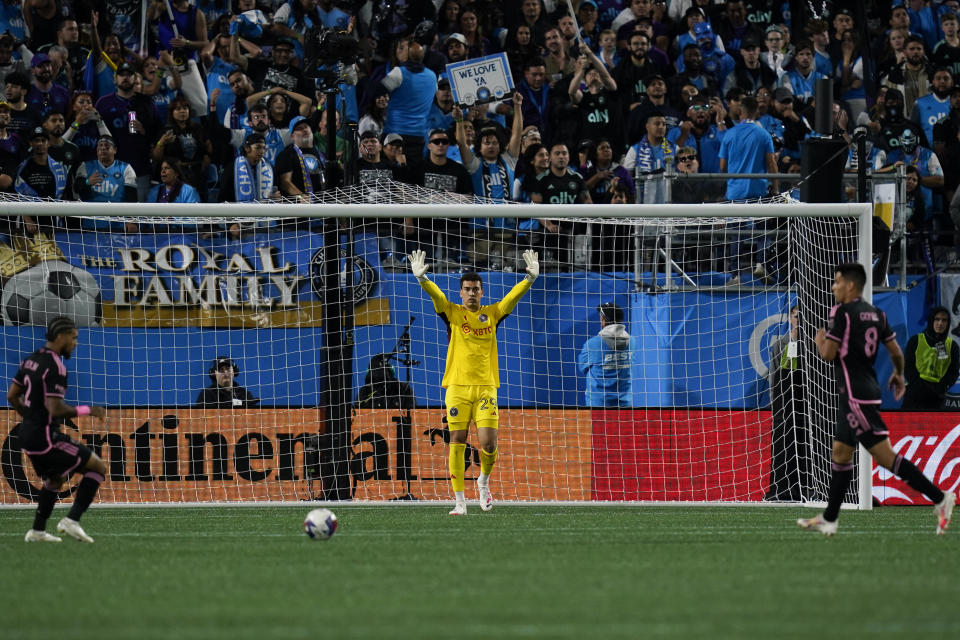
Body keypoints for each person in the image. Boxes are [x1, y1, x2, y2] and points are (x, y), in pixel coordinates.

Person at [800, 263, 956, 536]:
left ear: (850, 286)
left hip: (856, 395)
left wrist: (817, 337)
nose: (833, 287)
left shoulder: (842, 313)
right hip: (864, 391)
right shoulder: (876, 314)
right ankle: (830, 518)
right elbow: (896, 351)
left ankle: (941, 498)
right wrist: (897, 374)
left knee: (885, 457)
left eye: (837, 282)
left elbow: (827, 354)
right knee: (840, 452)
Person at [407, 248, 539, 515]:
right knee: (456, 439)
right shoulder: (452, 313)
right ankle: (459, 502)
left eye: (475, 289)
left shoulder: (492, 314)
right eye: (466, 289)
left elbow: (511, 300)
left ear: (482, 292)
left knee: (488, 444)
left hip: (486, 388)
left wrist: (529, 279)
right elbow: (438, 296)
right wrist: (423, 280)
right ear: (461, 292)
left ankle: (483, 482)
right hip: (457, 387)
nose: (471, 293)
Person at [8, 316, 108, 543]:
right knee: (97, 467)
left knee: (56, 478)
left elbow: (12, 395)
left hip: (27, 434)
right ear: (61, 337)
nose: (75, 343)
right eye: (73, 338)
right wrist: (88, 410)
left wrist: (30, 416)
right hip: (45, 436)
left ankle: (37, 531)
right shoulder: (56, 366)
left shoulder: (30, 360)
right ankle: (71, 520)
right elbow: (55, 408)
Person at [764, 304, 810, 502]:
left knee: (805, 446)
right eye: (795, 316)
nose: (798, 320)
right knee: (783, 446)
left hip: (807, 407)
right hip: (784, 406)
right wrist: (775, 402)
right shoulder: (780, 344)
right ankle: (781, 488)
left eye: (801, 316)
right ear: (790, 318)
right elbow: (774, 376)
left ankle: (807, 488)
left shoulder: (813, 345)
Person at [902, 306, 960, 410]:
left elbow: (953, 372)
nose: (940, 323)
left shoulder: (952, 346)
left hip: (937, 398)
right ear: (931, 320)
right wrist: (919, 386)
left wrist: (941, 387)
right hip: (914, 395)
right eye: (937, 319)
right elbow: (908, 366)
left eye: (944, 320)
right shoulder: (915, 341)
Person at [577, 302, 634, 407]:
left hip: (598, 405)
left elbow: (582, 368)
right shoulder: (633, 342)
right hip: (626, 404)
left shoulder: (592, 344)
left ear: (603, 319)